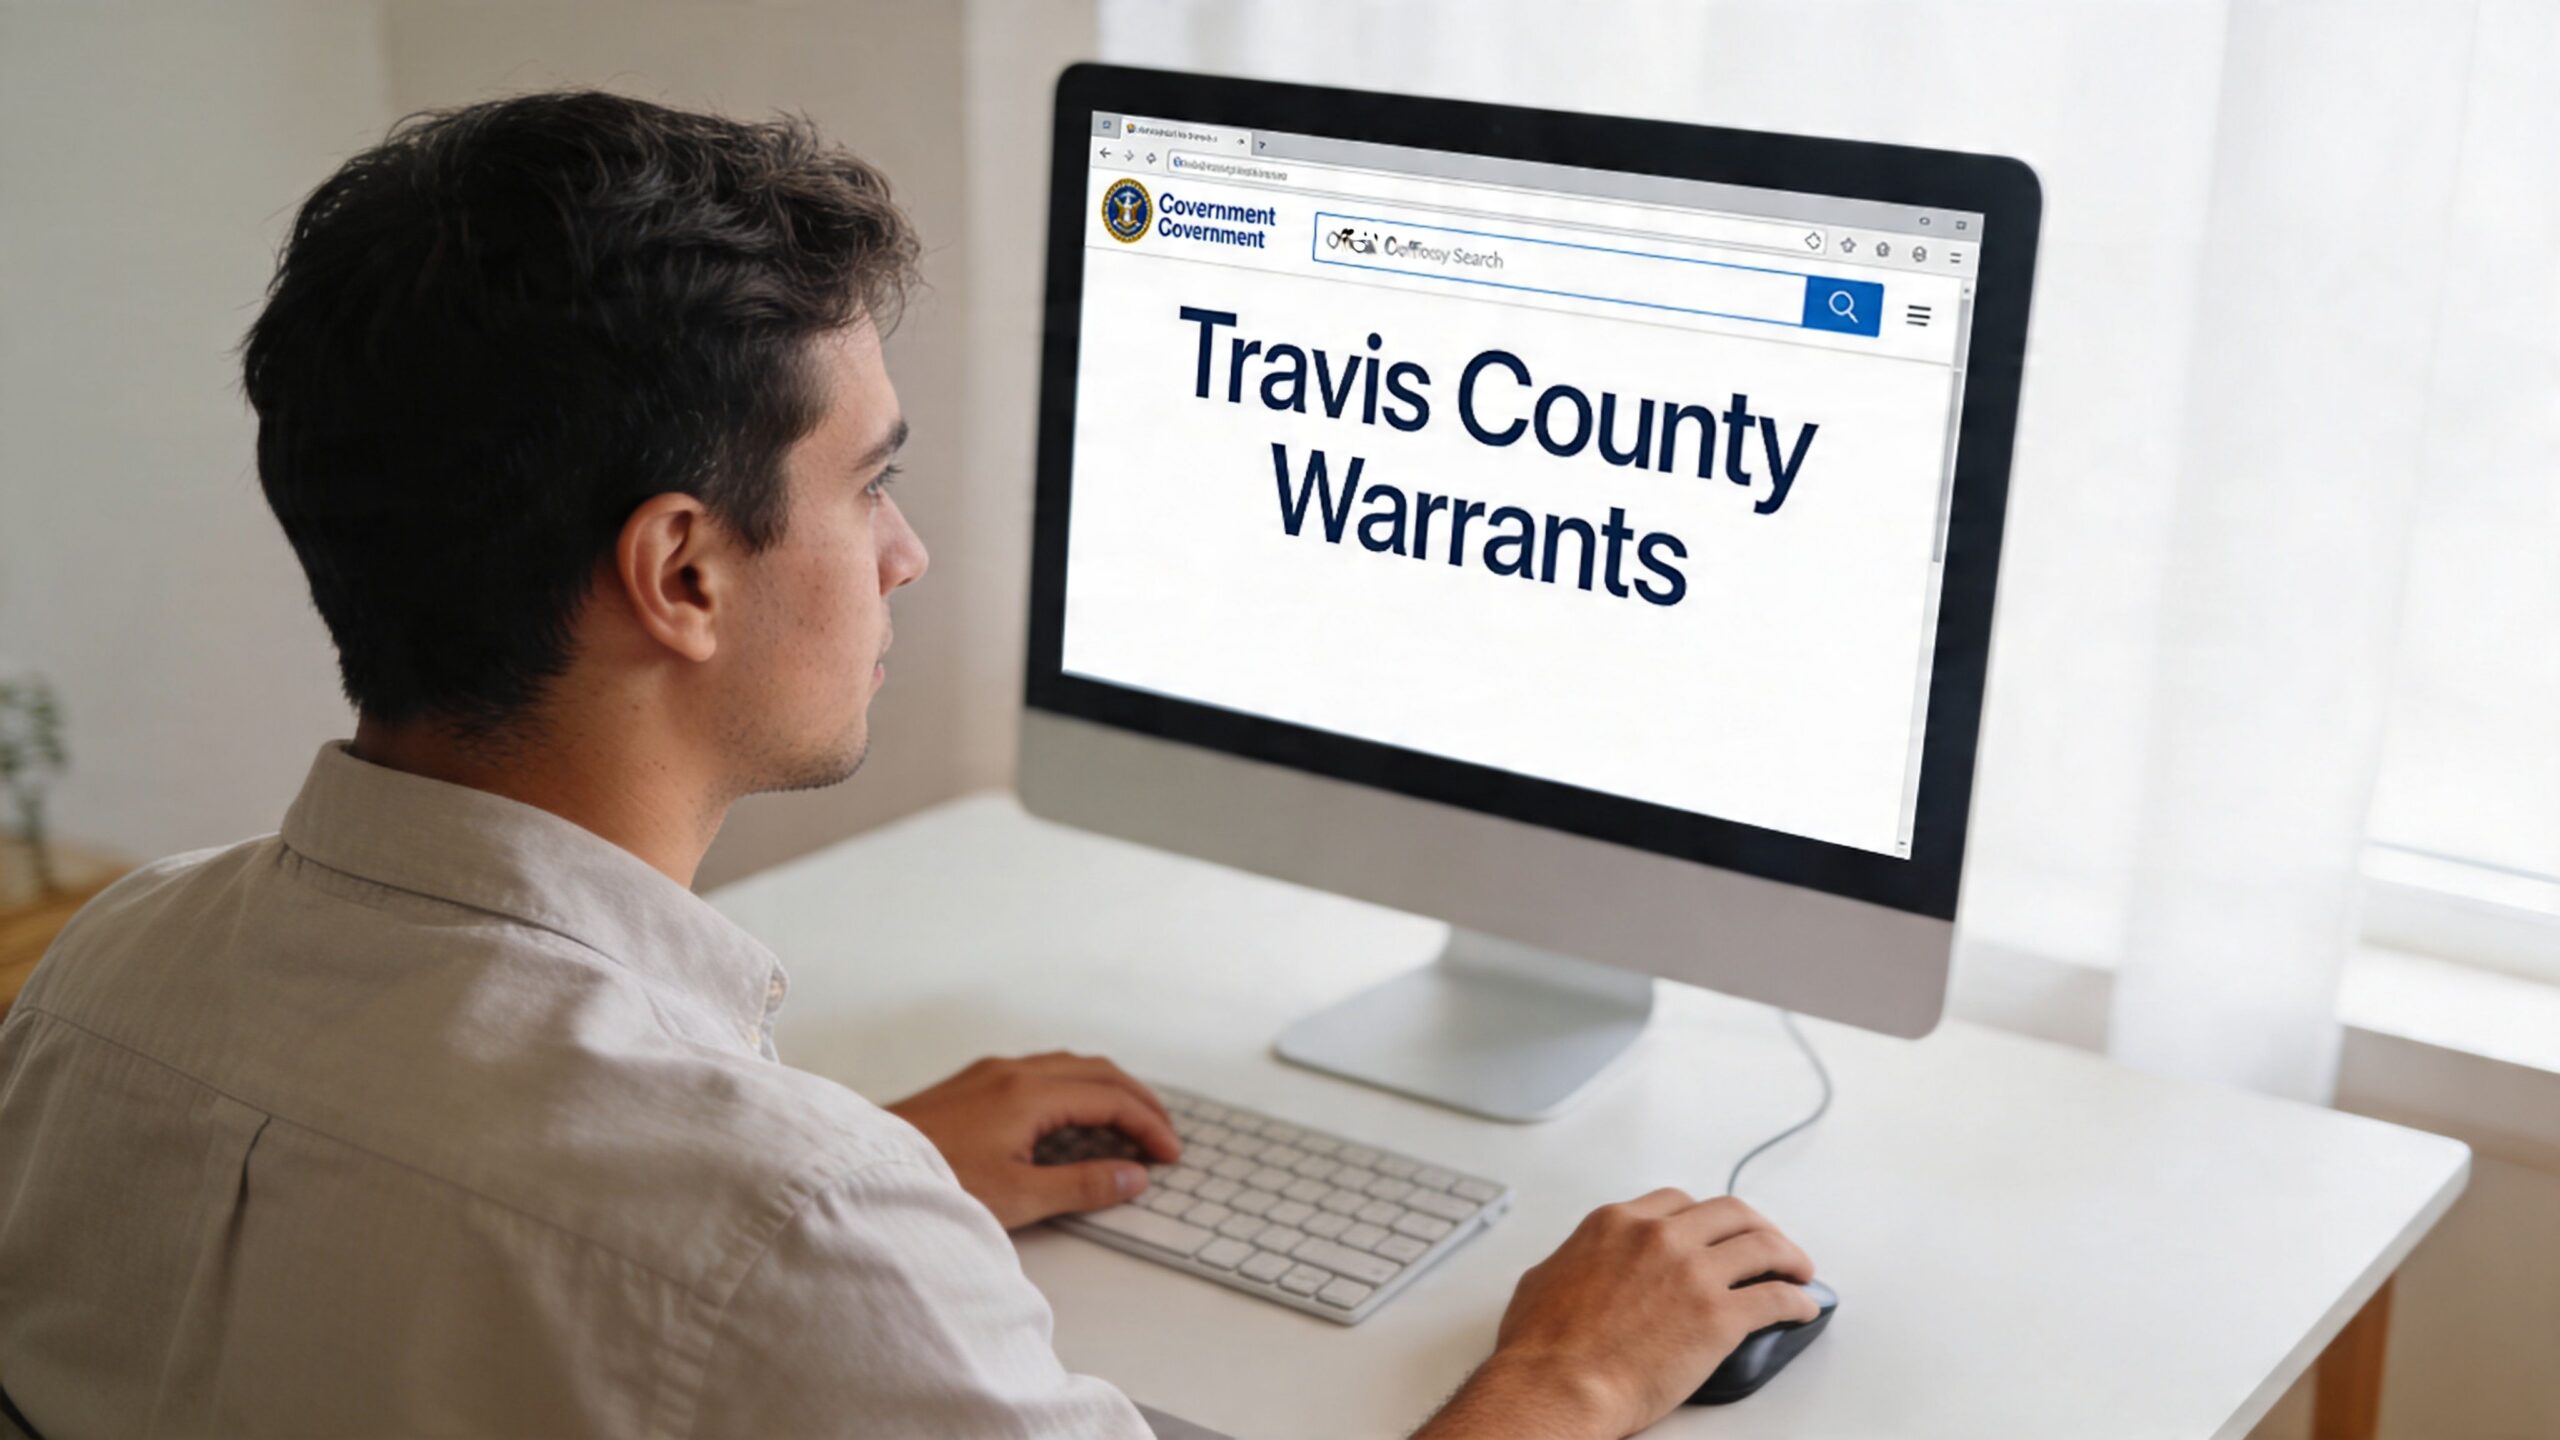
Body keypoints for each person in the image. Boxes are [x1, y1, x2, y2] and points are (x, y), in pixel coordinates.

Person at [0, 92, 1818, 1439]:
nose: (907, 554)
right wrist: (1572, 1374)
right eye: (868, 483)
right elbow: (689, 1238)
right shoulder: (786, 1229)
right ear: (683, 574)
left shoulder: (99, 982)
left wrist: (865, 1168)